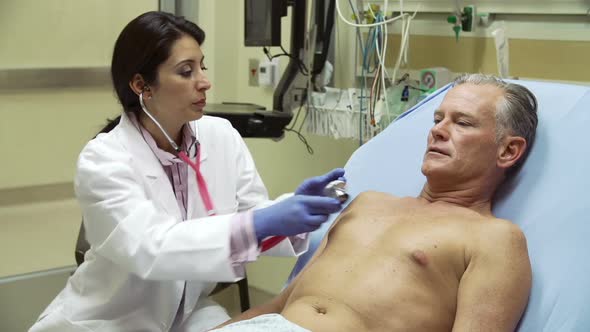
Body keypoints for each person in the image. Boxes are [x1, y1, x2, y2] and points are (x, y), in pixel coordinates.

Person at [30, 11, 346, 332]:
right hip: (111, 319)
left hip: (187, 310)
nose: (205, 81)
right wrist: (260, 223)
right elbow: (151, 248)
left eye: (201, 66)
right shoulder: (104, 160)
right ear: (142, 85)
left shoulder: (220, 135)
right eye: (186, 71)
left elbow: (252, 214)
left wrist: (295, 211)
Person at [212, 73, 538, 332]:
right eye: (438, 119)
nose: (438, 130)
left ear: (508, 151)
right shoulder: (367, 203)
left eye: (462, 123)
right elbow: (279, 304)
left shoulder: (494, 239)